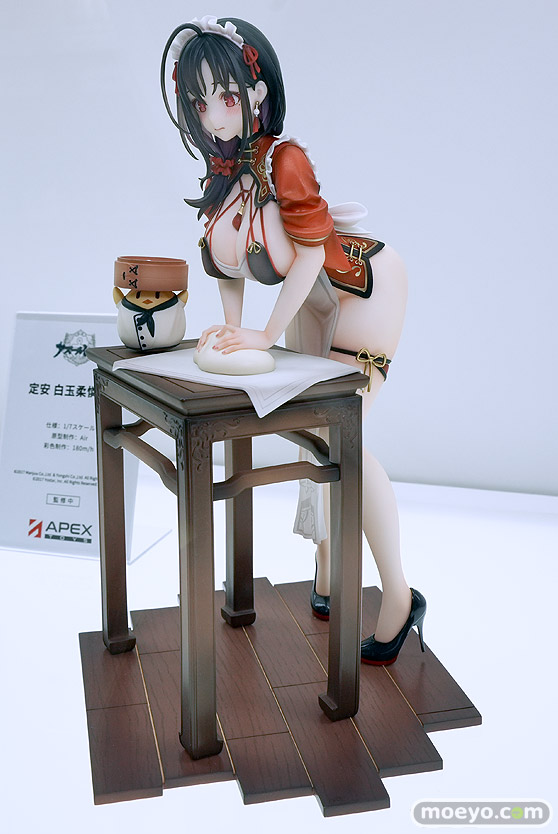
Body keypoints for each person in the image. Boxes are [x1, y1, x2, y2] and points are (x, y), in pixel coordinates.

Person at [161, 15, 426, 664]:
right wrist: (231, 326)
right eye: (200, 101)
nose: (214, 114)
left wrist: (263, 332)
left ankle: (399, 595)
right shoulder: (223, 175)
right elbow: (225, 265)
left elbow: (308, 254)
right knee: (311, 430)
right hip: (310, 299)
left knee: (343, 433)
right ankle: (330, 569)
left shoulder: (285, 159)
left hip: (362, 287)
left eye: (226, 96)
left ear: (256, 92)